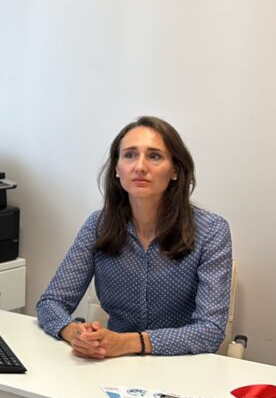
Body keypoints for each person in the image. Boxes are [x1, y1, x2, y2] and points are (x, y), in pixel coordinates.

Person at [36, 116, 232, 358]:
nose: (140, 166)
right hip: (114, 363)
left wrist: (128, 343)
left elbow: (210, 331)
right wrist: (75, 333)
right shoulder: (98, 225)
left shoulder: (211, 231)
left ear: (175, 170)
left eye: (154, 156)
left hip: (181, 364)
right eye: (129, 155)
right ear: (117, 169)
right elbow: (51, 302)